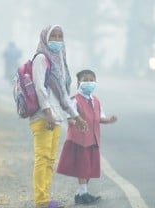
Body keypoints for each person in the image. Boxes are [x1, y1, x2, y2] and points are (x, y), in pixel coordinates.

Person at [29, 25, 87, 208]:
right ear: (45, 38)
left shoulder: (59, 61)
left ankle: (45, 198)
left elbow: (62, 94)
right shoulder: (41, 58)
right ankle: (41, 200)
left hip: (57, 116)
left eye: (60, 36)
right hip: (44, 116)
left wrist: (76, 117)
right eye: (53, 35)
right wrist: (47, 113)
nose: (56, 39)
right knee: (42, 158)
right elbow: (39, 87)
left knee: (50, 159)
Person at [57, 69, 117, 205]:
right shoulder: (74, 100)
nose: (89, 83)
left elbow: (100, 118)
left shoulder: (95, 100)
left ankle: (80, 193)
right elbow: (70, 118)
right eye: (85, 80)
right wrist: (75, 122)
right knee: (83, 167)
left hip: (93, 140)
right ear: (79, 82)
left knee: (90, 168)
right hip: (80, 140)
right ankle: (83, 193)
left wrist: (109, 120)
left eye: (92, 80)